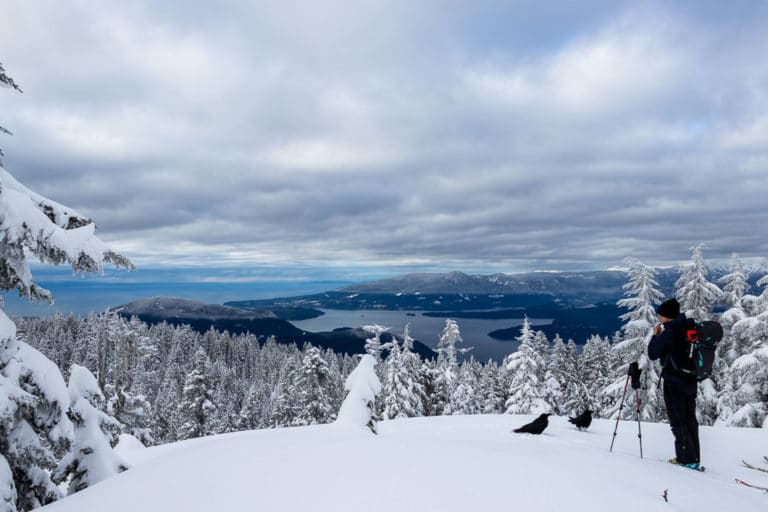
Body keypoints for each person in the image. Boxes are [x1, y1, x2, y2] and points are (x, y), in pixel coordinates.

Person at [648, 298, 701, 470]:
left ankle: (685, 459)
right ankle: (694, 458)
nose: (659, 317)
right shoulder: (688, 326)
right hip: (691, 380)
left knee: (678, 420)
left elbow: (652, 353)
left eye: (660, 314)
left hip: (674, 381)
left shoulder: (669, 333)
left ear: (667, 316)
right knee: (690, 419)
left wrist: (655, 336)